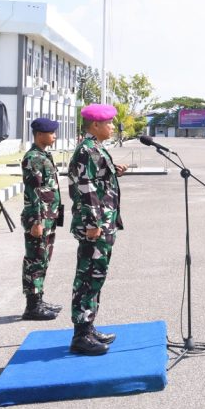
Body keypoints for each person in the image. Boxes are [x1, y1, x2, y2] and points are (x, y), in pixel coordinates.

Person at [67, 103, 126, 355]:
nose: (112, 127)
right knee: (89, 277)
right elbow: (86, 188)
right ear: (95, 125)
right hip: (96, 225)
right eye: (109, 123)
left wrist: (114, 172)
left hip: (103, 222)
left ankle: (88, 326)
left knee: (96, 275)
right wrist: (93, 225)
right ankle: (81, 335)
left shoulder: (96, 149)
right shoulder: (89, 150)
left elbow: (96, 180)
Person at [20, 117, 63, 321]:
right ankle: (32, 306)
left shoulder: (43, 155)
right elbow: (35, 191)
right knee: (35, 259)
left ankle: (39, 299)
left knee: (43, 258)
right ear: (39, 135)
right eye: (51, 132)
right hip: (38, 217)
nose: (54, 135)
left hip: (48, 215)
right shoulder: (33, 158)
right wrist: (37, 221)